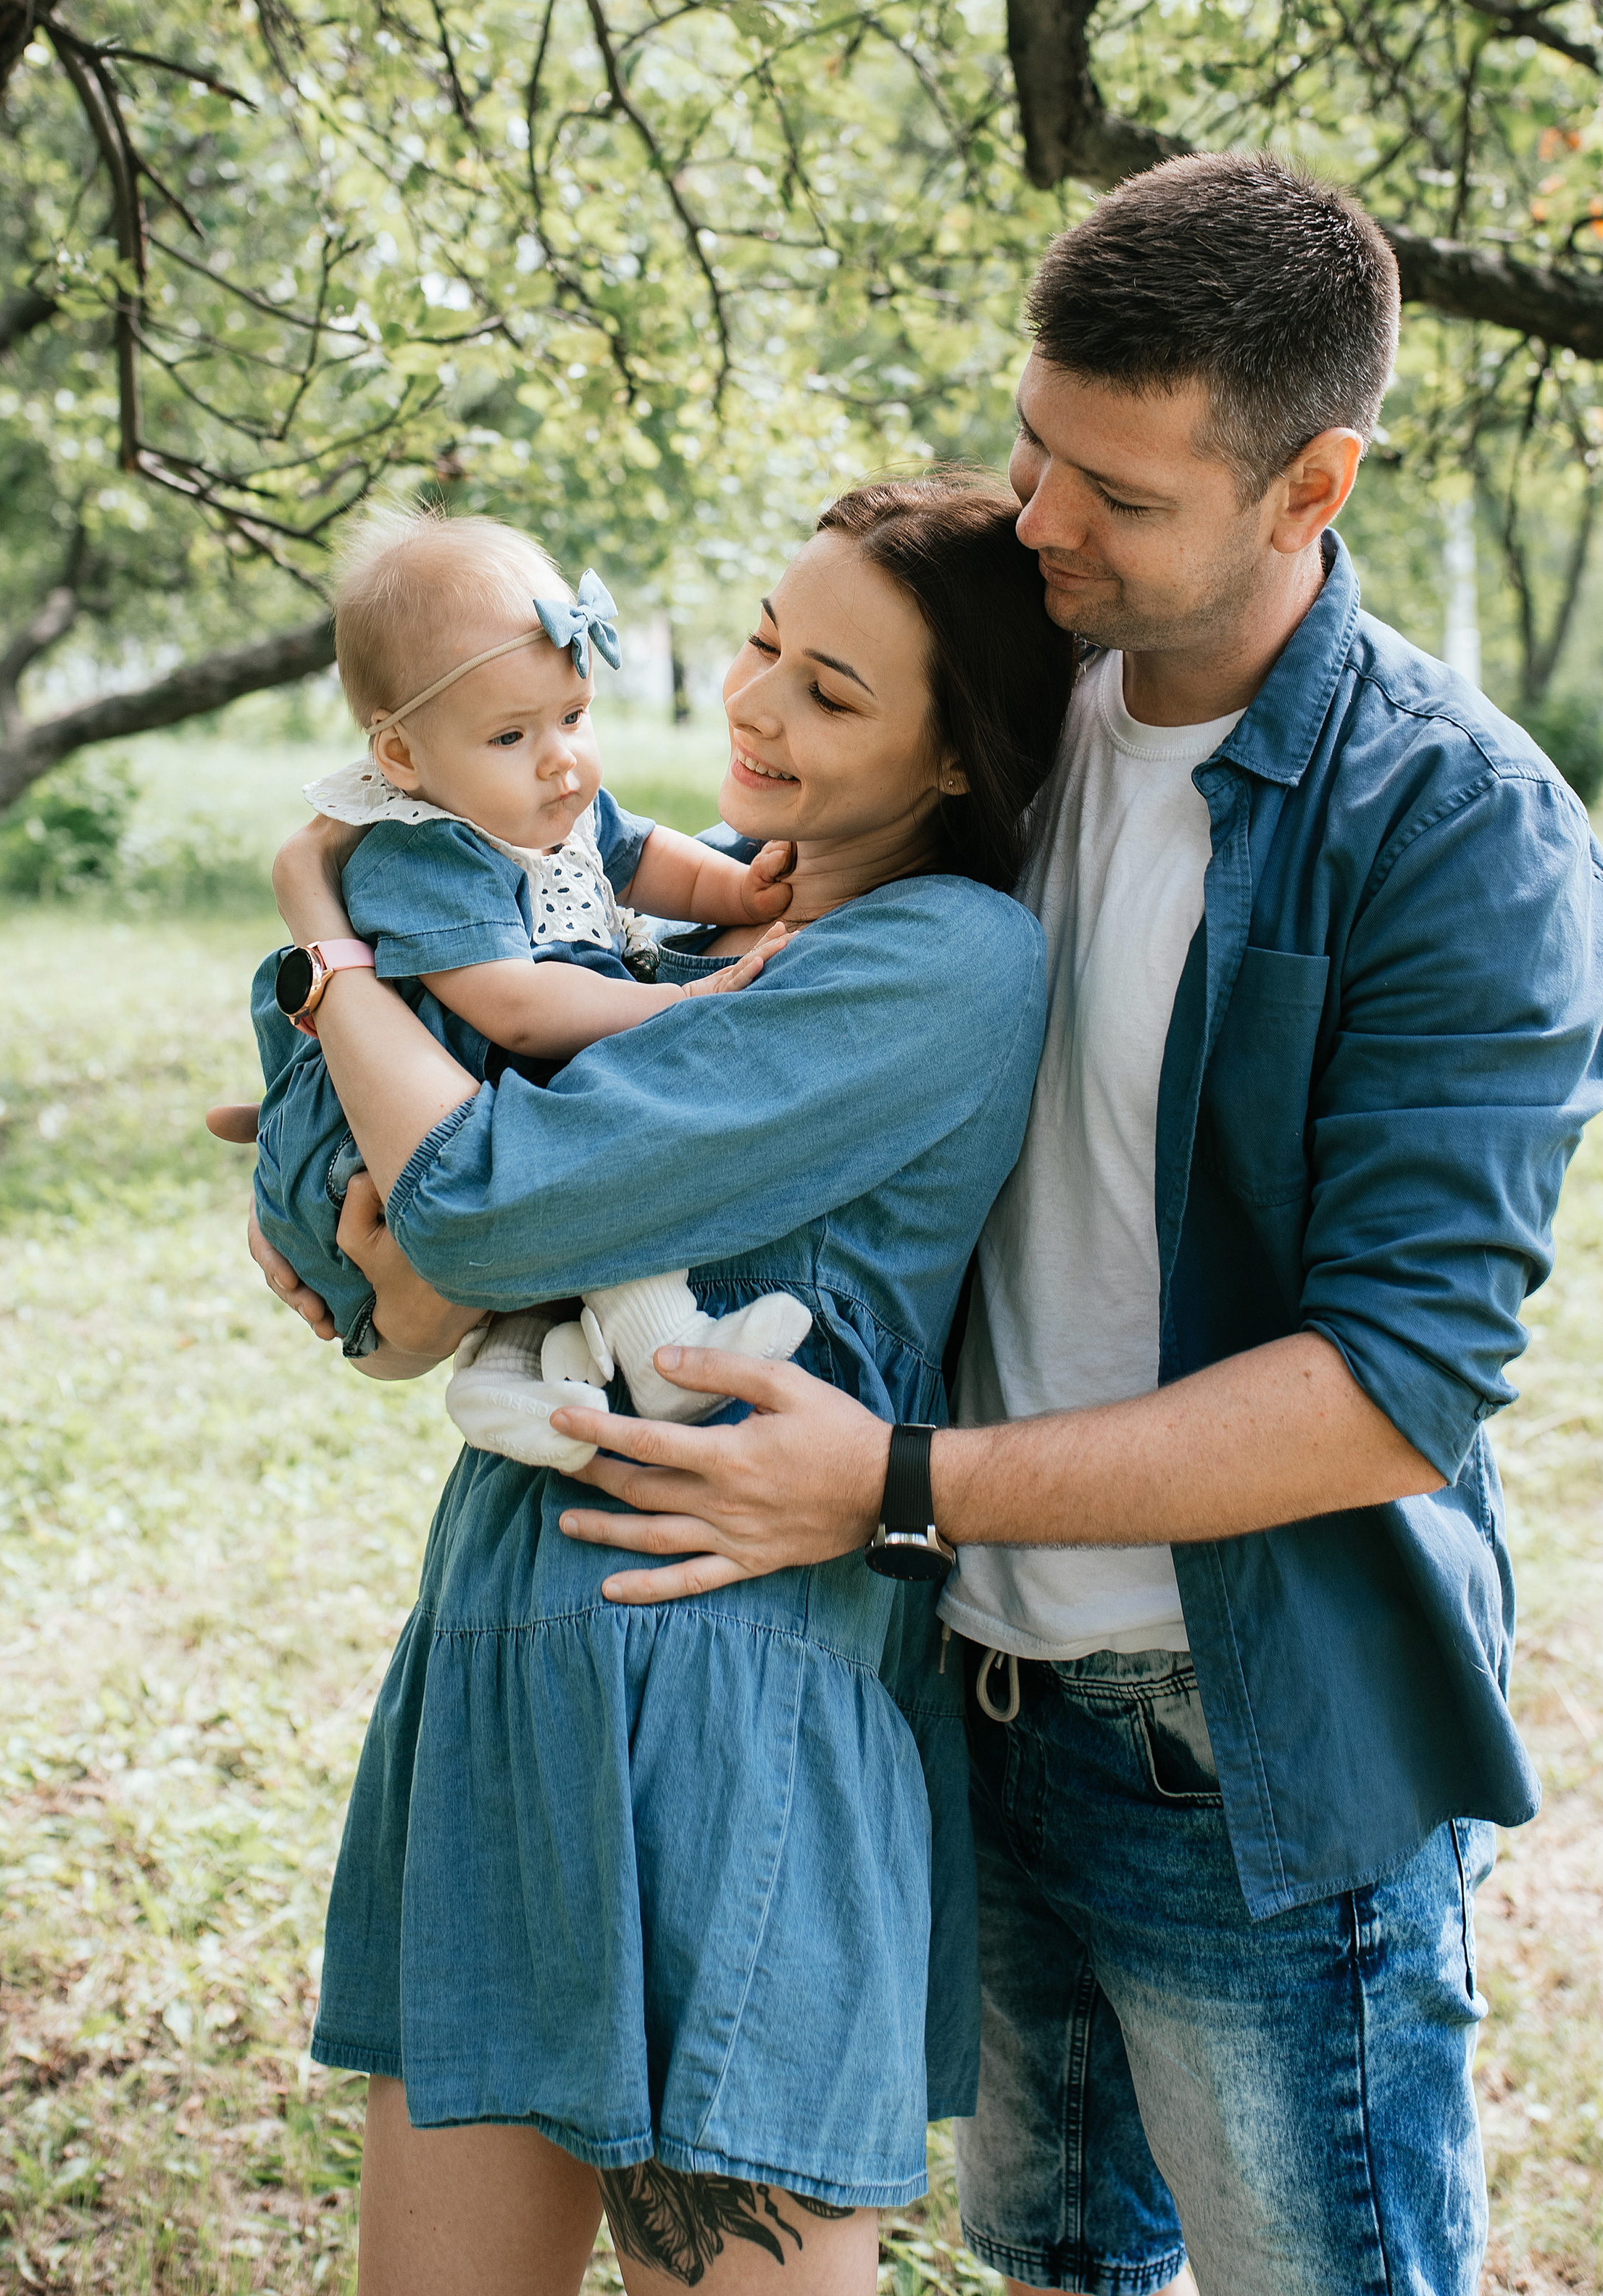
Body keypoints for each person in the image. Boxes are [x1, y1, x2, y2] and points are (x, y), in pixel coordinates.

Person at [536, 156, 1603, 2296]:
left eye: (1116, 493)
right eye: (1036, 445)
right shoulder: (1008, 719)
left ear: (1310, 482)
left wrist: (895, 1485)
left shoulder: (1458, 835)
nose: (1039, 519)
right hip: (967, 1703)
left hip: (1239, 1761)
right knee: (1058, 2268)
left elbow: (1390, 1394)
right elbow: (758, 1013)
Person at [235, 474, 1075, 2295]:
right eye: (766, 645)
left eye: (833, 693)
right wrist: (370, 1237)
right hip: (501, 1647)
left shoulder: (938, 963)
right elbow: (395, 1316)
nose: (755, 707)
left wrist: (324, 948)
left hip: (730, 1695)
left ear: (954, 762)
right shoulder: (659, 936)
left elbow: (468, 1204)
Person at [251, 502, 809, 1458]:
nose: (562, 760)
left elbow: (637, 856)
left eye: (575, 715)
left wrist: (737, 881)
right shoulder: (426, 852)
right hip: (369, 1154)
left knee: (566, 1143)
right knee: (579, 1145)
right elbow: (509, 1002)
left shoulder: (541, 801)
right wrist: (671, 1004)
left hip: (477, 1097)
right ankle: (664, 1350)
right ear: (401, 755)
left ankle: (507, 1379)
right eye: (511, 736)